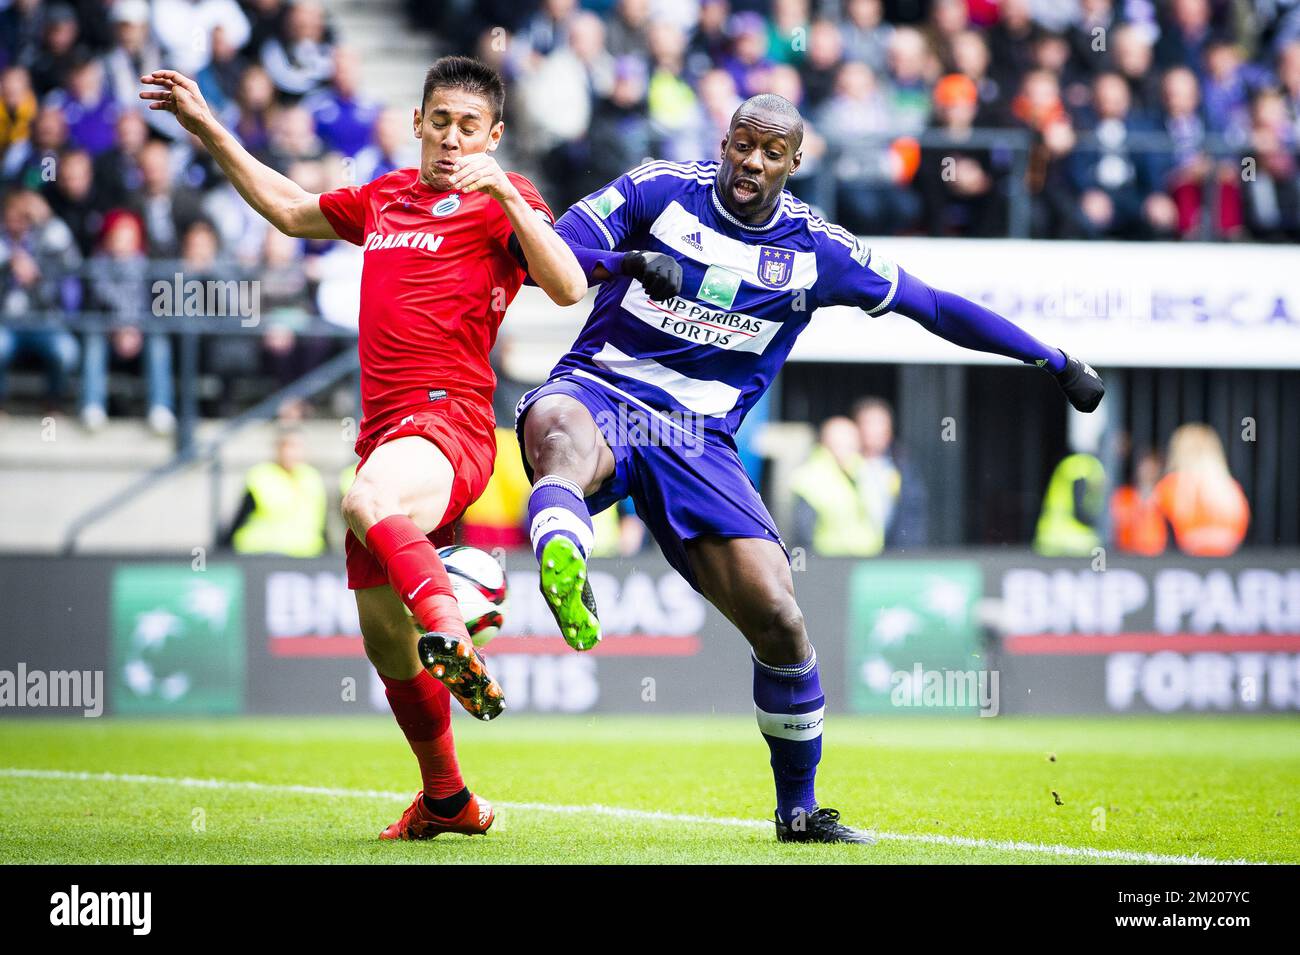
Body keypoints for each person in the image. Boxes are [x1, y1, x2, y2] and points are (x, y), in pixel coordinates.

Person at [515, 93, 1105, 844]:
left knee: (782, 620)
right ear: (722, 142)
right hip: (602, 391)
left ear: (795, 163)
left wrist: (1050, 356)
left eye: (770, 152)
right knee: (560, 437)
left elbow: (931, 305)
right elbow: (548, 258)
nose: (750, 163)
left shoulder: (817, 251)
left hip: (699, 440)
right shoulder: (657, 189)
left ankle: (797, 811)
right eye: (740, 145)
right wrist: (627, 262)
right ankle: (563, 551)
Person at [140, 55, 584, 841]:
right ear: (417, 122)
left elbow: (568, 286)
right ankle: (446, 796)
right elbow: (289, 208)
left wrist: (509, 194)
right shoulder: (383, 198)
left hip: (452, 423)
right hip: (383, 434)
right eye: (440, 122)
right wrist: (207, 126)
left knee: (365, 502)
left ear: (494, 135)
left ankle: (449, 610)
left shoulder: (500, 205)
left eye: (469, 127)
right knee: (386, 641)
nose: (452, 139)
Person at [223, 428, 327, 556]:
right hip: (263, 553)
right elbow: (240, 519)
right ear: (277, 449)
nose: (292, 452)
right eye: (287, 446)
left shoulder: (312, 478)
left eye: (298, 447)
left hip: (306, 555)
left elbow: (321, 521)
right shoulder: (260, 476)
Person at [789, 415, 879, 556]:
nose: (848, 448)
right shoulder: (809, 476)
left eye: (852, 443)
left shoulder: (863, 471)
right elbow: (804, 531)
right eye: (841, 442)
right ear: (826, 442)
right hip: (828, 561)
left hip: (868, 559)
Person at [1155, 424, 1250, 556]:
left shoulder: (1171, 486)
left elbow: (1154, 537)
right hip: (1226, 562)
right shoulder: (1231, 489)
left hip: (1183, 562)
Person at [852, 396, 928, 550]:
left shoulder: (903, 466)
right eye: (869, 423)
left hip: (894, 558)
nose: (875, 430)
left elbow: (913, 516)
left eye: (881, 423)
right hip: (850, 559)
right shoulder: (842, 467)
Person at [1111, 448, 1168, 556]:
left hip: (1157, 553)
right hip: (1126, 552)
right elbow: (1119, 521)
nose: (1149, 472)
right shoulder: (1124, 495)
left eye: (1153, 467)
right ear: (1138, 468)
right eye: (1145, 467)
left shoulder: (1165, 494)